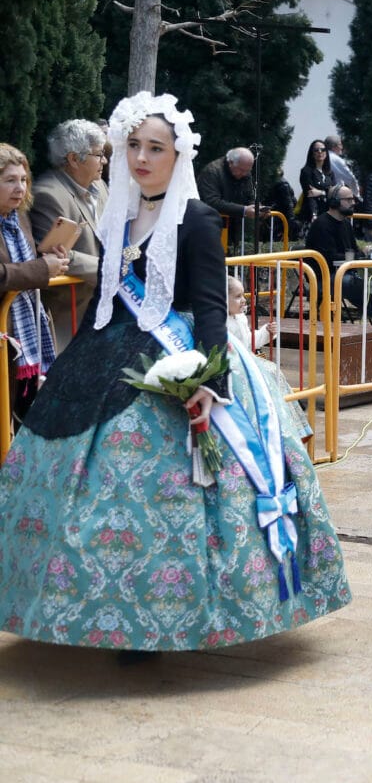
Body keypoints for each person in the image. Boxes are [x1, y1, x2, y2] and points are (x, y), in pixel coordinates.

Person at [0, 92, 351, 653]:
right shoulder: (115, 215)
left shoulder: (196, 217)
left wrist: (212, 382)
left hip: (178, 354)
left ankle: (175, 616)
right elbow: (103, 302)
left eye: (155, 148)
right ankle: (94, 610)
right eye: (133, 146)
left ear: (177, 155)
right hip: (110, 354)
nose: (141, 158)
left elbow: (210, 305)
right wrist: (68, 370)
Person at [0, 144, 68, 423]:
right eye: (10, 180)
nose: (20, 187)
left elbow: (20, 261)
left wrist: (48, 257)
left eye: (24, 179)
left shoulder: (20, 217)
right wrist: (41, 268)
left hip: (28, 334)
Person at [30, 120, 108, 349]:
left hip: (102, 310)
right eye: (99, 154)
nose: (104, 160)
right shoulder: (48, 195)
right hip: (70, 317)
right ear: (74, 159)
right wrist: (112, 268)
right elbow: (59, 257)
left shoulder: (101, 186)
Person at [226, 274, 312, 440]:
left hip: (247, 359)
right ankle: (288, 425)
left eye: (243, 295)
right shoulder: (223, 322)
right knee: (271, 373)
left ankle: (295, 424)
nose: (243, 300)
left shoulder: (240, 317)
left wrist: (266, 332)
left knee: (274, 372)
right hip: (237, 364)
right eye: (237, 297)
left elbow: (249, 341)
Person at [304, 183, 372, 324]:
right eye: (349, 199)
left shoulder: (345, 224)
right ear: (335, 202)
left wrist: (362, 253)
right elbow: (330, 258)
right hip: (324, 278)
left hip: (344, 275)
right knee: (367, 289)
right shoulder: (321, 225)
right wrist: (359, 254)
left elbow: (354, 250)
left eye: (353, 199)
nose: (353, 203)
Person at [297, 139, 334, 225]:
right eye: (316, 150)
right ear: (312, 153)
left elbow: (334, 192)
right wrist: (313, 214)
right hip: (311, 214)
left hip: (328, 213)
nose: (320, 152)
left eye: (323, 149)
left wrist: (321, 192)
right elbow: (310, 194)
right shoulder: (306, 171)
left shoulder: (330, 173)